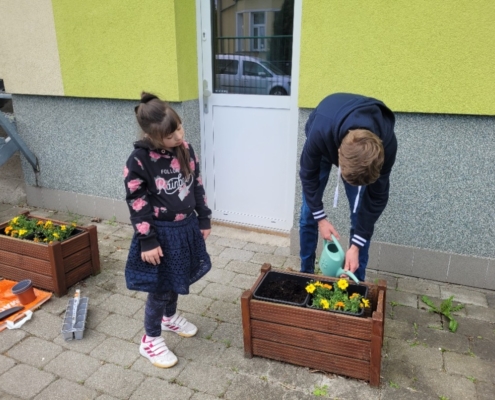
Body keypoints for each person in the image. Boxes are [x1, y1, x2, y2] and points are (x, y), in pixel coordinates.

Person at [124, 92, 212, 368]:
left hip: (185, 227)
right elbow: (137, 203)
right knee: (161, 287)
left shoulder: (185, 148)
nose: (178, 136)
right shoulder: (139, 161)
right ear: (152, 135)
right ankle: (150, 339)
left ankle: (169, 317)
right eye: (171, 135)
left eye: (179, 127)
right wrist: (147, 240)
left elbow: (195, 183)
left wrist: (203, 218)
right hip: (160, 233)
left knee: (179, 277)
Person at [299, 93, 397, 281]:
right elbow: (307, 174)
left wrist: (356, 246)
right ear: (338, 156)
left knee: (359, 212)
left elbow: (377, 198)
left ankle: (355, 281)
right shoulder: (320, 130)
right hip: (325, 132)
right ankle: (306, 274)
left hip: (349, 144)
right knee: (308, 213)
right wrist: (321, 219)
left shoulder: (387, 147)